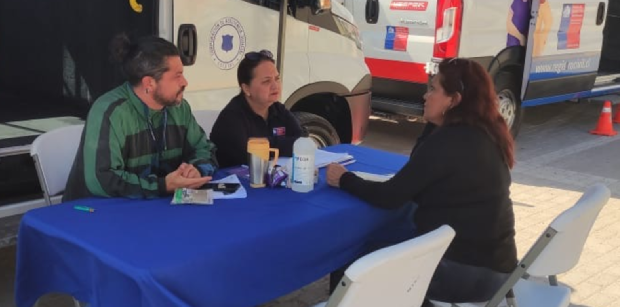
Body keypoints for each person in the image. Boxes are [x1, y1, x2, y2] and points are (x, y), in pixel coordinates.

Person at [326, 58, 517, 304]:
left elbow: (390, 197)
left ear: (454, 100)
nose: (425, 96)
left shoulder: (449, 141)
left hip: (463, 274)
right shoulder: (487, 133)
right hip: (499, 272)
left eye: (433, 89)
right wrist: (433, 124)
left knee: (352, 263)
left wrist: (344, 179)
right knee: (386, 244)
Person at [63, 34, 216, 201]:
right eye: (177, 75)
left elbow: (204, 149)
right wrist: (162, 185)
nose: (185, 82)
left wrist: (197, 169)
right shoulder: (110, 112)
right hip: (97, 214)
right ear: (149, 83)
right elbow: (101, 179)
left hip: (154, 208)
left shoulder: (180, 108)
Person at [210, 49, 304, 168]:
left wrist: (265, 143)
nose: (275, 86)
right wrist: (283, 144)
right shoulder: (231, 117)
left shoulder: (277, 109)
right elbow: (249, 155)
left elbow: (302, 142)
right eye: (266, 81)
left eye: (277, 79)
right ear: (246, 89)